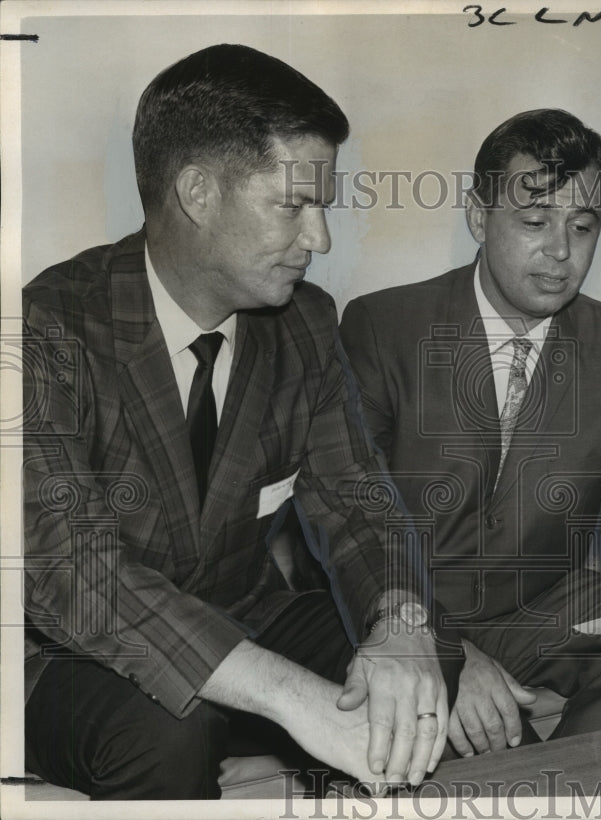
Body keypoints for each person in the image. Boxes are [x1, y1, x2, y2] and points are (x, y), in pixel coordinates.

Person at [21, 44, 460, 800]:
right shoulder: (47, 327)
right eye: (294, 205)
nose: (320, 240)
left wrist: (401, 624)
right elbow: (79, 576)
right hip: (65, 657)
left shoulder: (306, 325)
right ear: (197, 191)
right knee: (170, 726)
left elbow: (358, 503)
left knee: (420, 673)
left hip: (243, 615)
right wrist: (294, 698)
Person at [339, 108, 601, 759]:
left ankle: (571, 790)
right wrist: (443, 653)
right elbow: (349, 519)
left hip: (536, 612)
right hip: (401, 614)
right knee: (451, 726)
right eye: (534, 222)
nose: (561, 250)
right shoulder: (383, 328)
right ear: (479, 218)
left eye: (582, 227)